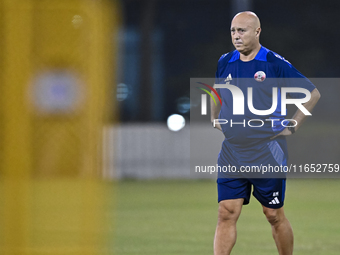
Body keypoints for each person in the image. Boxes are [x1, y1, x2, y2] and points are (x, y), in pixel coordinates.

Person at [210, 11, 321, 255]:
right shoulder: (225, 61)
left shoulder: (273, 63)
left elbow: (312, 94)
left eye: (242, 31)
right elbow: (217, 91)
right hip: (232, 152)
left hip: (267, 152)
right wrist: (213, 117)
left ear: (257, 32)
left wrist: (292, 125)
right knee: (226, 211)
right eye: (232, 31)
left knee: (273, 214)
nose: (236, 36)